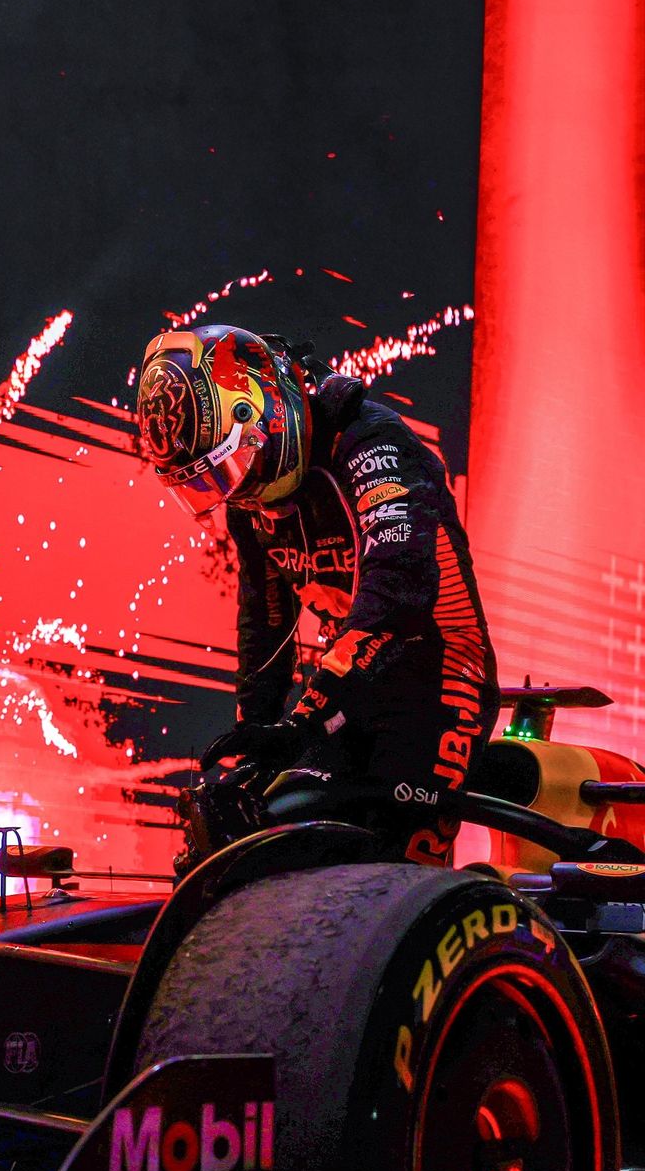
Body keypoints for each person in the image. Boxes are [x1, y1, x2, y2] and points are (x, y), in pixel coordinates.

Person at [137, 323, 499, 865]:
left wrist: (300, 721)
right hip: (347, 682)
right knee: (260, 840)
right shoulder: (247, 501)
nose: (238, 491)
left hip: (439, 673)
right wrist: (253, 740)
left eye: (235, 465)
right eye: (213, 482)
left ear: (268, 411)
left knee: (391, 873)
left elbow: (400, 593)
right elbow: (266, 622)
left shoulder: (373, 442)